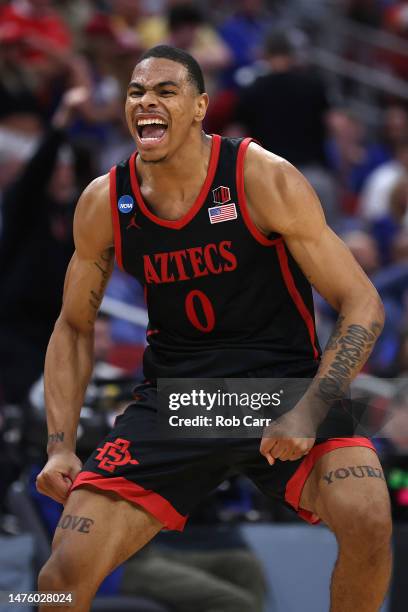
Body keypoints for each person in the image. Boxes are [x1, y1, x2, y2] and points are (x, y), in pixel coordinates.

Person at [36, 45, 392, 612]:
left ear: (200, 106)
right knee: (57, 583)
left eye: (165, 92)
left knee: (371, 518)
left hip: (280, 389)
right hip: (181, 401)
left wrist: (311, 408)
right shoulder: (105, 201)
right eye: (135, 92)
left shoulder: (262, 177)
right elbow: (74, 327)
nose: (145, 102)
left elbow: (363, 303)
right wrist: (60, 447)